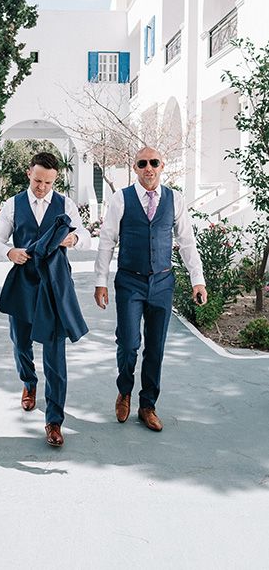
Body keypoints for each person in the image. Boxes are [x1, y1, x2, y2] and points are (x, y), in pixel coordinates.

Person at [94, 146, 207, 432]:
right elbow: (107, 241)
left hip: (162, 283)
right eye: (143, 163)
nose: (149, 168)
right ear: (135, 167)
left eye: (154, 163)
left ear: (162, 165)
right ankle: (125, 391)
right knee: (129, 343)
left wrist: (198, 279)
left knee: (155, 347)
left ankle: (148, 405)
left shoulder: (175, 199)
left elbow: (187, 241)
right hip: (130, 281)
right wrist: (100, 282)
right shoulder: (121, 199)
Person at [0, 151, 90, 447]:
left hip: (55, 285)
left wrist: (74, 239)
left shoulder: (65, 204)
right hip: (23, 281)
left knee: (55, 353)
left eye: (48, 182)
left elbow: (85, 236)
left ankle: (54, 421)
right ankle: (29, 383)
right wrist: (9, 252)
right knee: (20, 342)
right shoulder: (13, 205)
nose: (42, 187)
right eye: (37, 180)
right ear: (28, 174)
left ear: (55, 180)